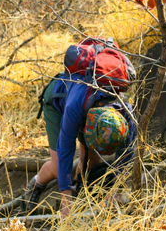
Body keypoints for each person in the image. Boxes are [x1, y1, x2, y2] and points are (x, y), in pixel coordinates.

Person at [23, 72, 136, 217]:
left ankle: (80, 189)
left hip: (89, 104)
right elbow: (65, 150)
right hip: (57, 98)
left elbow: (127, 154)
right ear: (87, 128)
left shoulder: (126, 114)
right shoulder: (73, 108)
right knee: (59, 168)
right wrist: (66, 200)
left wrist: (117, 190)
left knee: (92, 160)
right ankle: (35, 185)